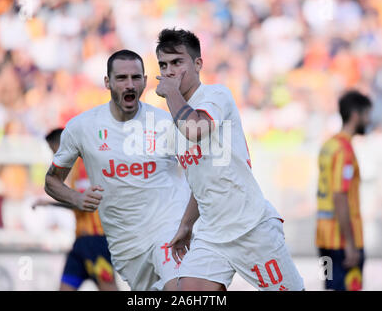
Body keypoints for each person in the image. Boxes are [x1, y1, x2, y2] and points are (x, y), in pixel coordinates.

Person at [155, 28, 304, 291]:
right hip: (212, 235)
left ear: (198, 64)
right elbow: (201, 182)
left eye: (177, 62)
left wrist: (171, 94)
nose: (169, 71)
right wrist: (187, 225)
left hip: (251, 227)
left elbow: (195, 128)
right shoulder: (174, 126)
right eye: (163, 65)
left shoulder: (216, 95)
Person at [44, 50, 190, 291]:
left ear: (144, 80)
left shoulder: (166, 124)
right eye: (122, 78)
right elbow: (52, 181)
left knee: (176, 288)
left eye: (136, 78)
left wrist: (189, 223)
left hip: (168, 231)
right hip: (124, 246)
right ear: (107, 82)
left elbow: (200, 172)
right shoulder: (82, 128)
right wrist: (76, 198)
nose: (130, 84)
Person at [34, 128, 118, 291]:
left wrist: (51, 204)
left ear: (60, 145)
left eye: (53, 151)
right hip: (80, 241)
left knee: (108, 287)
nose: (54, 157)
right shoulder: (73, 170)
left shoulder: (84, 166)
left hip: (96, 240)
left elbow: (85, 202)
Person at [316, 90, 372, 291]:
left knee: (329, 287)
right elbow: (339, 195)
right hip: (343, 242)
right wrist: (350, 243)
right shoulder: (344, 150)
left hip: (323, 238)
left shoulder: (328, 146)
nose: (369, 120)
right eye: (367, 114)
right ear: (356, 115)